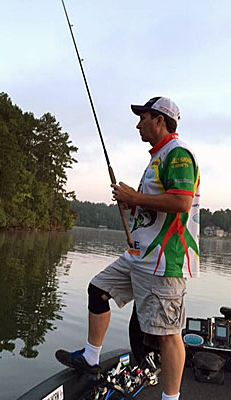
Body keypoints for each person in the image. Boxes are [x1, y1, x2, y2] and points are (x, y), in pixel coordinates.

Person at [56, 97, 200, 400]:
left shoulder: (178, 154)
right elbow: (154, 209)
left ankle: (170, 398)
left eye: (143, 118)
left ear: (159, 120)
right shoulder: (157, 157)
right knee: (98, 289)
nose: (138, 124)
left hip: (164, 263)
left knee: (168, 334)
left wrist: (134, 198)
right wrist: (133, 210)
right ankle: (91, 359)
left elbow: (181, 201)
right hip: (139, 255)